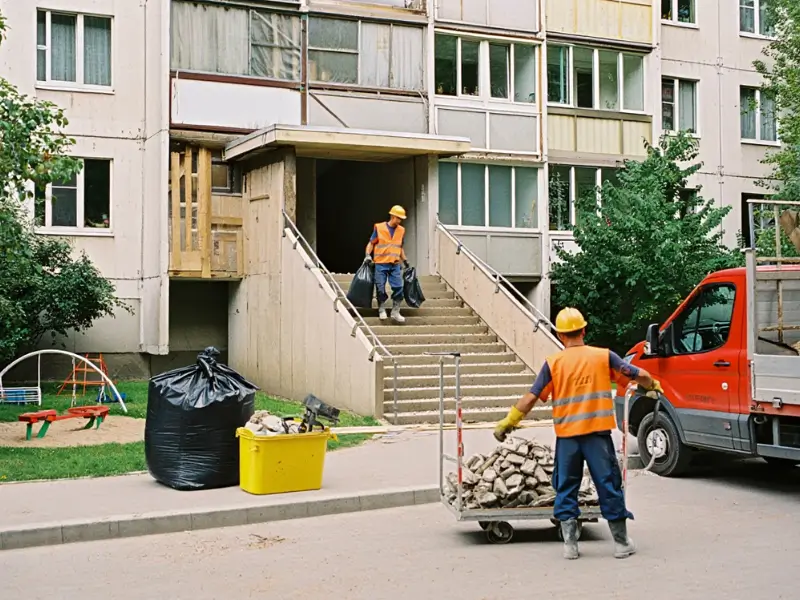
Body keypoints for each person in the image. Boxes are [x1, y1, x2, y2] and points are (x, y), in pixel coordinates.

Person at [493, 307, 663, 561]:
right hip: (597, 436)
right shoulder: (604, 357)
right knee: (608, 485)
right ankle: (620, 543)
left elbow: (531, 397)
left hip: (568, 439)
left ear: (561, 336)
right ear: (584, 330)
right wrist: (652, 387)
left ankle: (570, 545)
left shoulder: (554, 364)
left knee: (566, 487)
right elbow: (640, 375)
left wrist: (508, 422)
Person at [364, 205, 409, 323]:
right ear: (393, 216)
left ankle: (395, 311)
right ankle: (381, 309)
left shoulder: (401, 230)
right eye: (398, 218)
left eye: (401, 219)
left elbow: (400, 247)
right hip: (381, 264)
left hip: (394, 264)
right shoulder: (379, 228)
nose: (400, 221)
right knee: (380, 287)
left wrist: (405, 260)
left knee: (399, 287)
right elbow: (371, 243)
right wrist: (367, 255)